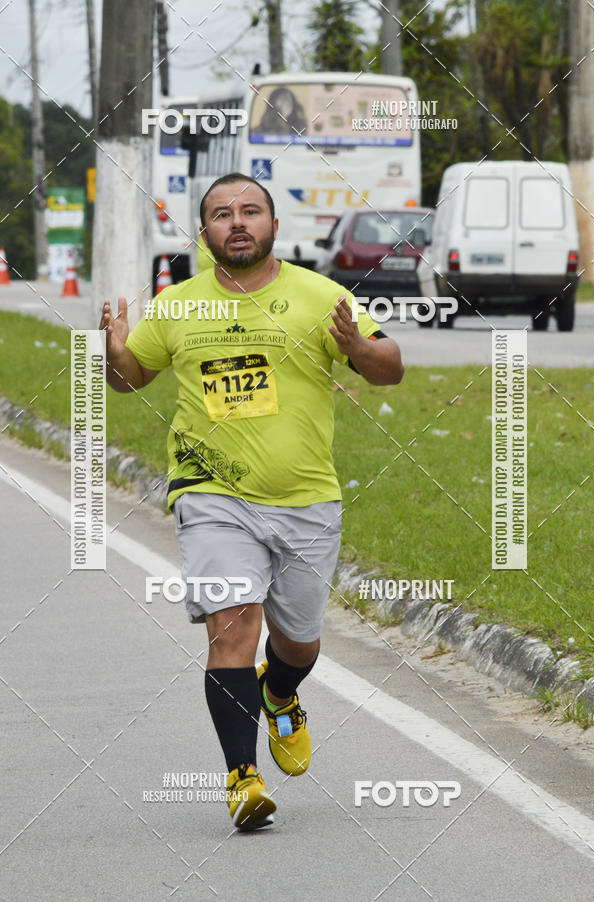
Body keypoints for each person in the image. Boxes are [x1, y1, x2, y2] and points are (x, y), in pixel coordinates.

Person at [99, 173, 404, 831]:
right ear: (202, 231)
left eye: (250, 211)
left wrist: (358, 347)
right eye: (221, 214)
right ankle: (242, 778)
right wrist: (114, 351)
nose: (237, 223)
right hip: (210, 492)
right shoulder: (177, 306)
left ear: (272, 224)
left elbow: (391, 366)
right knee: (233, 624)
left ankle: (281, 692)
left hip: (306, 500)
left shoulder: (319, 296)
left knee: (297, 642)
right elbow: (129, 381)